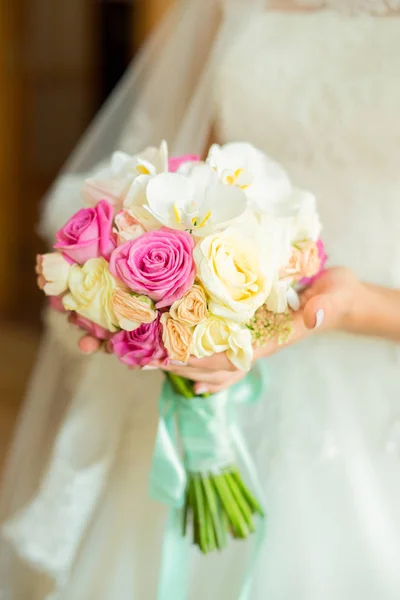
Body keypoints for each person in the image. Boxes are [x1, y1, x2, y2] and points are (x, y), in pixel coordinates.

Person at [1, 1, 400, 598]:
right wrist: (139, 283)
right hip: (224, 334)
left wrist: (354, 305)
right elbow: (193, 162)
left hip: (373, 363)